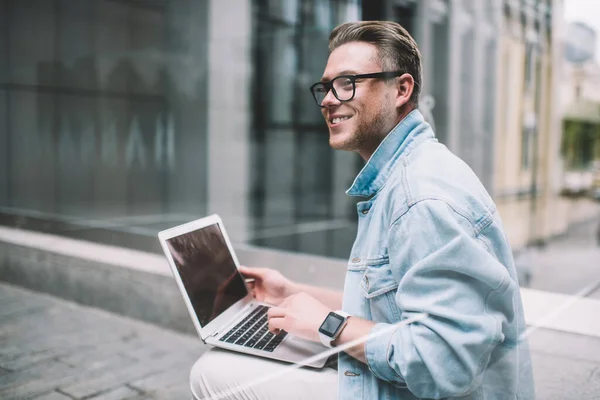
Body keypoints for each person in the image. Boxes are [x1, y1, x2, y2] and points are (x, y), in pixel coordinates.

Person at [190, 20, 534, 400]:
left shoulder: (421, 198)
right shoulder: (402, 175)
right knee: (236, 356)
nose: (328, 99)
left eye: (348, 82)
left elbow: (444, 365)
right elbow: (394, 309)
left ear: (401, 89)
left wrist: (327, 323)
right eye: (325, 86)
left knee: (212, 373)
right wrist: (293, 292)